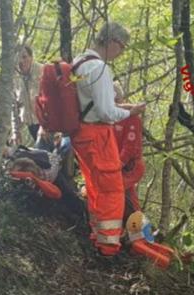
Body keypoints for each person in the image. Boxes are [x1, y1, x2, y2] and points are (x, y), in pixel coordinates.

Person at [70, 22, 146, 256]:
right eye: (122, 47)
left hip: (80, 133)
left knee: (94, 185)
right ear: (112, 41)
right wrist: (130, 112)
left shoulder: (78, 62)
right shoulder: (99, 68)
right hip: (97, 135)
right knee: (112, 190)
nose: (121, 52)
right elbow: (106, 112)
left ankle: (97, 233)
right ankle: (108, 246)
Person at [113, 82, 146, 223]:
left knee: (114, 190)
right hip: (120, 166)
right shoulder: (109, 116)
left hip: (131, 167)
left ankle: (133, 227)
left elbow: (129, 147)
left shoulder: (132, 118)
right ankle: (140, 227)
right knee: (129, 195)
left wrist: (117, 165)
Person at [12, 45, 43, 146]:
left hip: (47, 125)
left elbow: (53, 102)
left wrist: (45, 127)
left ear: (31, 57)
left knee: (52, 157)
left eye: (24, 57)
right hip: (30, 124)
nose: (21, 61)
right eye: (17, 58)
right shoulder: (15, 77)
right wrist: (15, 131)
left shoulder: (43, 72)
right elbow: (14, 105)